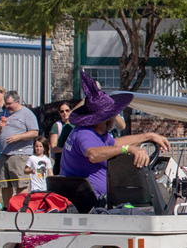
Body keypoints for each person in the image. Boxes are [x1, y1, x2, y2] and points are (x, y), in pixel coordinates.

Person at [60, 72, 171, 202]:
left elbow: (115, 144)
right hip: (91, 204)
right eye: (113, 115)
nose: (115, 118)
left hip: (97, 200)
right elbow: (93, 154)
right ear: (105, 119)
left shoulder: (98, 133)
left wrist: (149, 136)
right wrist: (127, 149)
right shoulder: (85, 133)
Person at [0, 90, 41, 206]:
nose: (7, 106)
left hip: (19, 155)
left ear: (17, 101)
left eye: (9, 104)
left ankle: (22, 209)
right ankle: (7, 208)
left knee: (20, 184)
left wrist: (18, 137)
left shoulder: (26, 113)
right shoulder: (4, 113)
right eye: (6, 103)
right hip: (4, 154)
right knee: (5, 184)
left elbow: (34, 133)